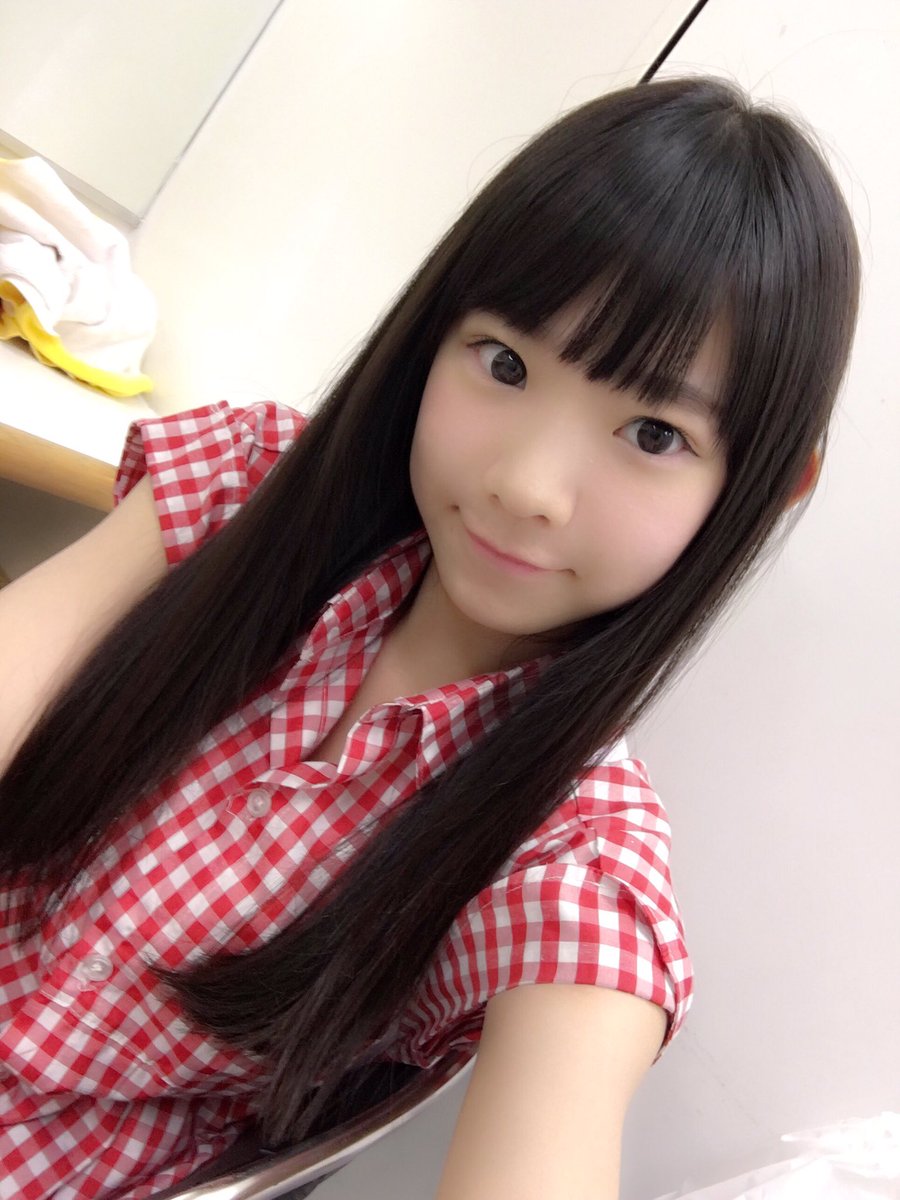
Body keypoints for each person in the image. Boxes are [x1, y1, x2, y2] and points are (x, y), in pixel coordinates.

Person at [0, 73, 859, 1200]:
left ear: (766, 487)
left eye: (653, 433)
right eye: (504, 365)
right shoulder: (252, 489)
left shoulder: (570, 862)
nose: (528, 486)